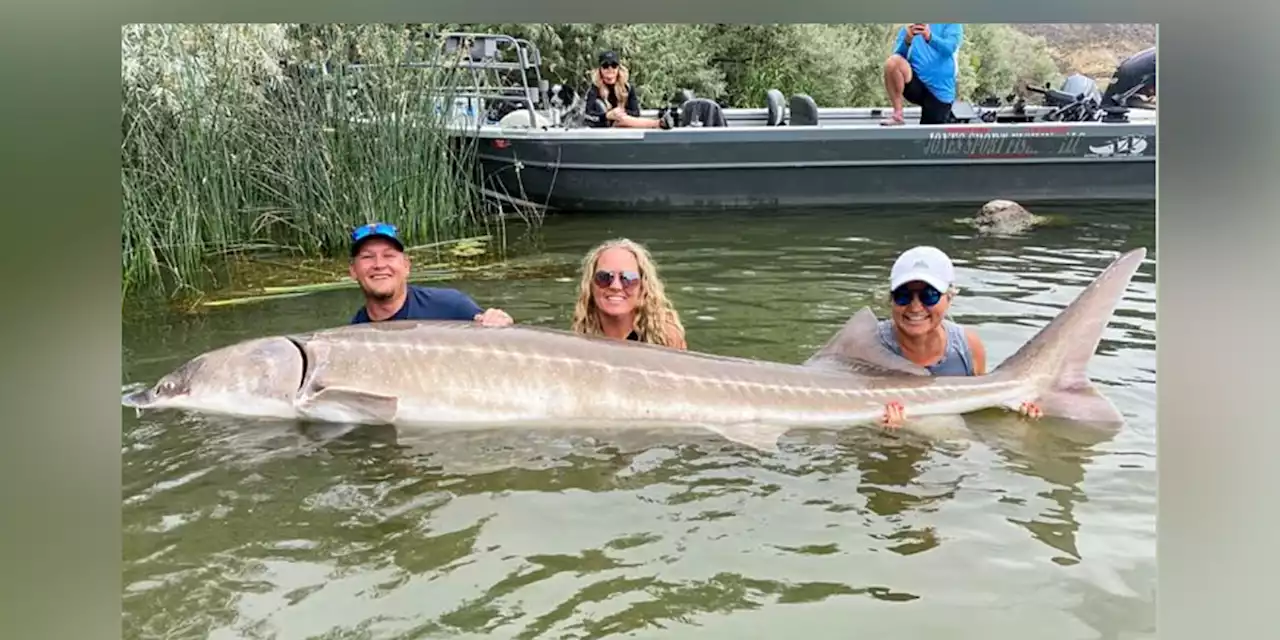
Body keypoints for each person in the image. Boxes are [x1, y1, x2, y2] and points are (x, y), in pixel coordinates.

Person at [875, 246, 1041, 427]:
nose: (915, 307)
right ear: (890, 299)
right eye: (903, 296)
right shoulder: (868, 344)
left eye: (929, 296)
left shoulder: (968, 346)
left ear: (949, 298)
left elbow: (981, 408)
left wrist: (1020, 412)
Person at [346, 222, 513, 327]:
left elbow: (496, 342)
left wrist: (500, 323)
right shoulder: (355, 331)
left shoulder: (451, 306)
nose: (379, 265)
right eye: (367, 257)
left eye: (389, 255)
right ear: (353, 271)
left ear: (406, 266)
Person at [569, 238, 687, 349]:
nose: (615, 286)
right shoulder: (580, 335)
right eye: (604, 277)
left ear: (643, 287)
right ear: (591, 286)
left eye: (627, 278)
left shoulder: (665, 336)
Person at [880, 23, 965, 126]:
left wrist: (929, 37)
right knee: (892, 62)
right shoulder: (910, 23)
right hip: (916, 83)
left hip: (940, 92)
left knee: (927, 137)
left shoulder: (951, 22)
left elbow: (949, 48)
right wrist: (907, 40)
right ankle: (898, 114)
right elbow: (899, 54)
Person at [583, 50, 674, 130]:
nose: (610, 69)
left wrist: (621, 112)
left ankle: (659, 124)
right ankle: (658, 124)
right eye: (605, 66)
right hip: (601, 129)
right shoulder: (593, 89)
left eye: (614, 65)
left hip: (623, 128)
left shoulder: (627, 88)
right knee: (620, 119)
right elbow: (586, 116)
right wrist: (607, 116)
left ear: (618, 68)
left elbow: (635, 113)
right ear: (600, 69)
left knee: (621, 119)